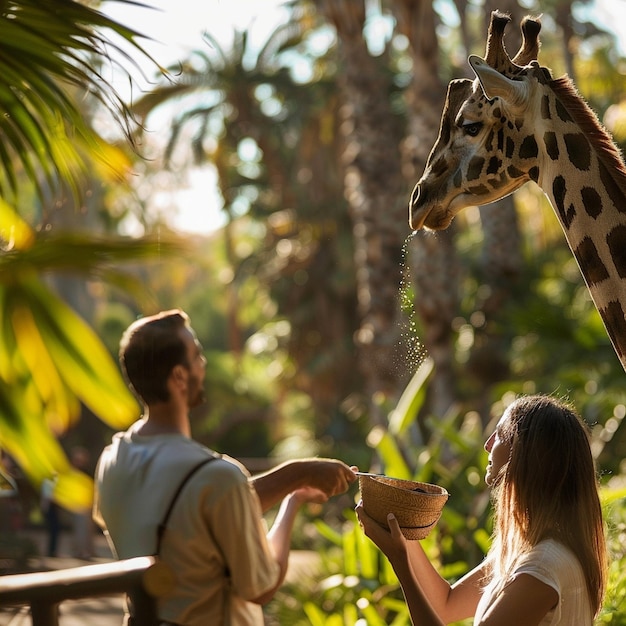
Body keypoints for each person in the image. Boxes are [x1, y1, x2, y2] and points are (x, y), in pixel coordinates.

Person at [93, 309, 356, 626]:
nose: (203, 364)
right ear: (179, 376)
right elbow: (261, 586)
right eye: (197, 355)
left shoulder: (113, 460)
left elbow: (195, 517)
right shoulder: (216, 475)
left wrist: (297, 476)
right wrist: (292, 505)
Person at [356, 394, 608, 626]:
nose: (487, 445)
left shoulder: (543, 566)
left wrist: (398, 559)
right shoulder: (528, 551)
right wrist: (401, 530)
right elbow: (446, 604)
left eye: (499, 434)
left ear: (525, 452)